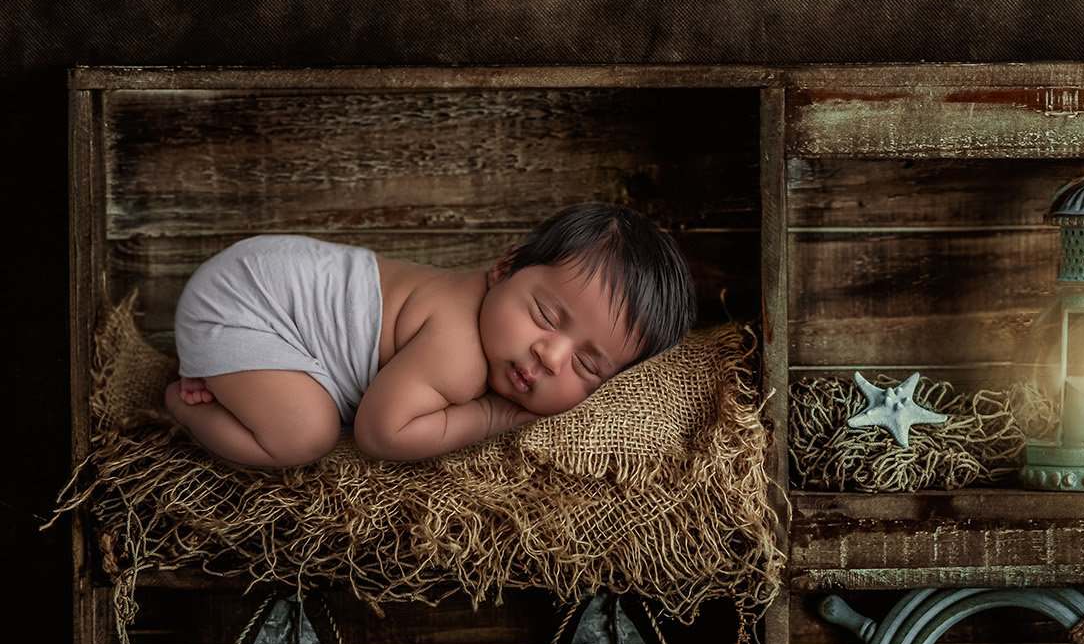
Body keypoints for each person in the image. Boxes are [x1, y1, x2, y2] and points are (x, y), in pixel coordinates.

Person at [163, 203, 693, 468]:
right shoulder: (459, 351)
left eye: (587, 365)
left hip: (265, 279)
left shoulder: (486, 316)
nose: (551, 355)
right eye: (546, 316)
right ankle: (184, 404)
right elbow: (381, 434)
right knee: (305, 435)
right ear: (504, 268)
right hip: (246, 304)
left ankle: (232, 377)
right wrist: (492, 416)